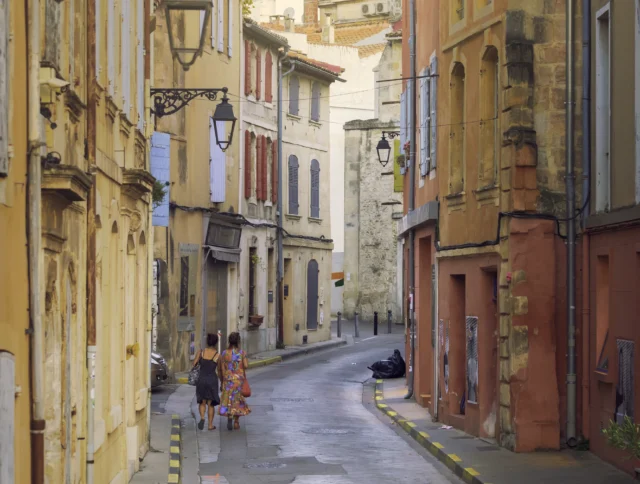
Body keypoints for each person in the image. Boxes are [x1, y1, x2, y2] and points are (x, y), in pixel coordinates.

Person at [218, 332, 251, 430]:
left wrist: (223, 380)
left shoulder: (224, 353)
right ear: (238, 341)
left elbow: (222, 369)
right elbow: (246, 366)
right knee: (237, 400)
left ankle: (229, 416)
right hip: (238, 380)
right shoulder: (241, 353)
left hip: (228, 380)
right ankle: (236, 422)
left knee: (228, 400)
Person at [192, 333, 220, 431]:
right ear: (216, 342)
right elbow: (220, 370)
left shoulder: (201, 352)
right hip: (212, 380)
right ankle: (210, 425)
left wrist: (199, 358)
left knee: (202, 402)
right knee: (211, 404)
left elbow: (194, 364)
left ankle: (202, 418)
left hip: (201, 379)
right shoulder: (217, 355)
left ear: (207, 342)